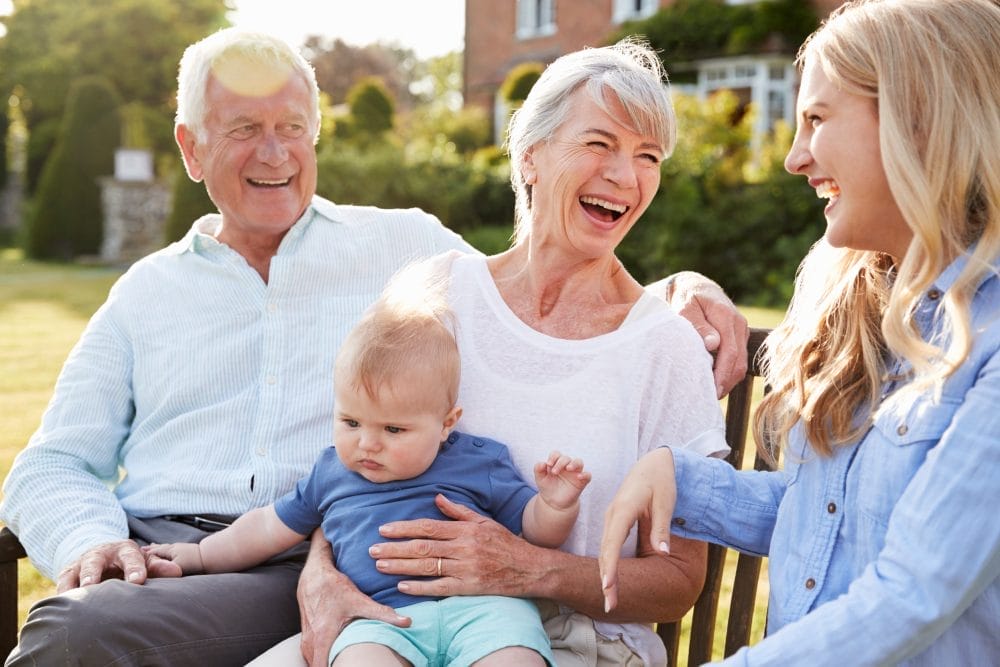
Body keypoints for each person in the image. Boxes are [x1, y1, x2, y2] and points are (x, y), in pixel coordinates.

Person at [0, 27, 747, 666]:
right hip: (204, 558)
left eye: (294, 127)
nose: (276, 153)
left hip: (365, 579)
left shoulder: (405, 248)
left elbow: (566, 297)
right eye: (244, 130)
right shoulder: (152, 290)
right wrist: (98, 541)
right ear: (190, 149)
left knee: (77, 633)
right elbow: (54, 459)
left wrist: (681, 284)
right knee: (91, 621)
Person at [261, 38, 732, 667]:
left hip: (573, 646)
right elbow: (358, 462)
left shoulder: (663, 345)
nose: (625, 176)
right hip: (391, 626)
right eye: (598, 144)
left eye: (648, 156)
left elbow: (677, 582)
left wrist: (531, 570)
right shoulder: (438, 292)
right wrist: (320, 575)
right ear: (531, 156)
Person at [598, 1, 1000, 665]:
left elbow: (913, 592)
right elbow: (827, 513)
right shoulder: (876, 305)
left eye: (816, 119)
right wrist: (683, 480)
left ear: (918, 119)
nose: (793, 158)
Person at [146, 278, 591, 666]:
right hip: (376, 616)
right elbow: (265, 527)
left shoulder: (479, 460)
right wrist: (202, 555)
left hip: (485, 610)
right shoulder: (331, 473)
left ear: (446, 424)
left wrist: (554, 503)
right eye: (351, 422)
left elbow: (535, 533)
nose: (367, 443)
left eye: (394, 429)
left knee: (514, 657)